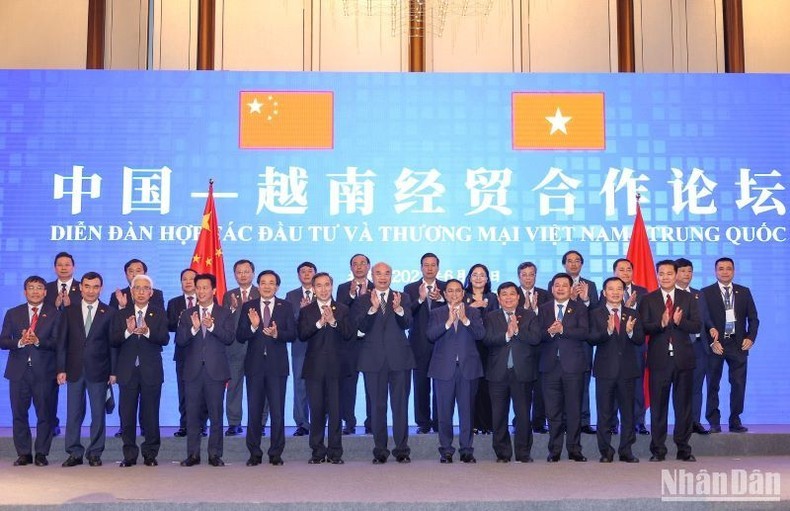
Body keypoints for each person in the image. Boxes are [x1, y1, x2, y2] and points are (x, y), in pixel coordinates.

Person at [352, 262, 415, 464]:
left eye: (387, 273)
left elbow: (408, 324)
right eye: (378, 273)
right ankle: (380, 450)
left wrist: (398, 310)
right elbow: (359, 329)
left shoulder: (402, 297)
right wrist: (372, 309)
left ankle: (402, 450)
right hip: (373, 360)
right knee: (377, 407)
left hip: (400, 360)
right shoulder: (362, 300)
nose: (382, 277)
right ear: (372, 275)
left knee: (400, 407)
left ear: (391, 275)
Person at [638, 260, 700, 462]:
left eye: (669, 273)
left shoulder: (688, 298)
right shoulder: (648, 299)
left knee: (683, 407)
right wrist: (660, 323)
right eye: (661, 273)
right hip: (659, 361)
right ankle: (658, 450)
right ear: (657, 275)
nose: (665, 277)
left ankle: (684, 449)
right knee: (658, 407)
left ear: (676, 275)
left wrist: (681, 322)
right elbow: (643, 328)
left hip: (683, 361)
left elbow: (698, 325)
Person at [236, 270, 297, 466]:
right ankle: (254, 453)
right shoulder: (249, 306)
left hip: (277, 367)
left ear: (277, 286)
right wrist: (254, 327)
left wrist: (278, 334)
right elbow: (240, 335)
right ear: (258, 285)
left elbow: (293, 335)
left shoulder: (286, 306)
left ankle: (275, 453)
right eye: (263, 282)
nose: (267, 286)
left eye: (271, 283)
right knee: (254, 411)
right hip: (254, 367)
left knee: (277, 412)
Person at [0, 276, 61, 466]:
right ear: (25, 292)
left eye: (39, 288)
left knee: (46, 414)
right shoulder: (13, 313)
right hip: (18, 373)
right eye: (31, 288)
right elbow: (3, 341)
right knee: (19, 413)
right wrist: (19, 342)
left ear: (45, 292)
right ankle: (24, 453)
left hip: (45, 372)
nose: (35, 291)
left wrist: (37, 341)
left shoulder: (55, 314)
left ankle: (42, 453)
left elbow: (58, 343)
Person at [110, 274, 169, 467]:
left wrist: (148, 332)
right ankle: (129, 454)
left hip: (151, 371)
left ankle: (150, 454)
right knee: (126, 415)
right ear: (132, 291)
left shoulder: (159, 313)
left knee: (151, 414)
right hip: (127, 372)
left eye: (145, 288)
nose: (141, 292)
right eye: (137, 288)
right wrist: (129, 331)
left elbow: (164, 339)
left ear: (151, 293)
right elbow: (113, 340)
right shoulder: (121, 314)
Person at [58, 271, 116, 467]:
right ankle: (74, 452)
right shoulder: (69, 311)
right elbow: (62, 343)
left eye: (96, 286)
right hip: (73, 369)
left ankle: (95, 453)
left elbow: (112, 345)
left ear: (101, 288)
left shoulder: (109, 312)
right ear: (80, 288)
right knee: (73, 413)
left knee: (98, 413)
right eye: (87, 286)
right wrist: (60, 368)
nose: (91, 290)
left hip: (99, 370)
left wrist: (113, 371)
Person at [177, 273, 235, 467]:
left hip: (215, 372)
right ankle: (193, 455)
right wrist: (193, 329)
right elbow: (180, 341)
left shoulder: (224, 313)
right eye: (198, 287)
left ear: (214, 290)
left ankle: (214, 454)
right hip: (192, 372)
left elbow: (229, 338)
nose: (201, 291)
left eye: (205, 288)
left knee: (216, 415)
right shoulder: (187, 313)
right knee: (192, 416)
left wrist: (212, 327)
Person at [297, 272, 354, 464]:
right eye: (319, 285)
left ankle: (335, 453)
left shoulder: (343, 309)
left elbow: (348, 334)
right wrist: (320, 323)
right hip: (314, 369)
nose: (323, 289)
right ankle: (317, 452)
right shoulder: (307, 310)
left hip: (337, 369)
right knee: (317, 411)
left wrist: (333, 322)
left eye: (327, 285)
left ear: (332, 286)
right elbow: (303, 334)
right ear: (313, 289)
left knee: (336, 412)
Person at [427, 279, 485, 463]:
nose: (454, 294)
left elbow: (480, 335)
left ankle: (467, 450)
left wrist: (464, 320)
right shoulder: (437, 313)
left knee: (467, 412)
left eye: (457, 291)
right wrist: (448, 322)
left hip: (468, 369)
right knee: (444, 412)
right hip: (443, 370)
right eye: (450, 291)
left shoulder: (473, 312)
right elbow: (430, 335)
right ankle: (446, 450)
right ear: (444, 295)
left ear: (463, 294)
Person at [483, 281, 541, 463]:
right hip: (497, 373)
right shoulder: (491, 317)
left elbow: (536, 338)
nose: (508, 297)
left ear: (518, 297)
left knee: (523, 415)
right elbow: (487, 340)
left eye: (512, 294)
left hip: (522, 372)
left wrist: (518, 332)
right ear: (499, 299)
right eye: (504, 294)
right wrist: (507, 335)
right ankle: (502, 453)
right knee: (499, 415)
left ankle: (523, 453)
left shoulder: (530, 315)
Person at [588, 277, 643, 463]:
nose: (615, 292)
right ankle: (606, 451)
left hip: (627, 371)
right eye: (611, 289)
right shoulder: (595, 313)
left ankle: (626, 450)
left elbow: (640, 339)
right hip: (605, 371)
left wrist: (629, 332)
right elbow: (592, 338)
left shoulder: (632, 313)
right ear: (604, 293)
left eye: (619, 289)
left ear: (623, 291)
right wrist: (608, 331)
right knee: (604, 413)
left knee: (628, 413)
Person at [701, 257, 759, 434]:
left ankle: (735, 420)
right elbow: (703, 320)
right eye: (721, 268)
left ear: (733, 271)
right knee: (713, 384)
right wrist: (712, 342)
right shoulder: (706, 292)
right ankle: (713, 422)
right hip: (716, 344)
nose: (725, 272)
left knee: (738, 384)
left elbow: (754, 319)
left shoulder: (744, 291)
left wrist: (750, 337)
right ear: (715, 271)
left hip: (737, 344)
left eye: (728, 268)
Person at [538, 272, 590, 462]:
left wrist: (563, 330)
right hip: (550, 366)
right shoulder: (543, 308)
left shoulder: (579, 308)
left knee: (574, 409)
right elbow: (537, 335)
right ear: (552, 289)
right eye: (557, 285)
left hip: (573, 366)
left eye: (564, 285)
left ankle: (575, 449)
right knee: (553, 411)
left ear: (571, 289)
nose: (560, 288)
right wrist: (549, 333)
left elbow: (585, 332)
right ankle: (555, 450)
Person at [606, 258, 649, 436]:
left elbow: (646, 318)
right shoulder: (608, 291)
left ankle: (639, 422)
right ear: (615, 272)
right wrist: (625, 306)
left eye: (629, 269)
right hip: (612, 347)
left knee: (637, 387)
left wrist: (632, 309)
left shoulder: (642, 291)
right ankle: (613, 423)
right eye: (621, 269)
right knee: (613, 386)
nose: (625, 273)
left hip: (635, 346)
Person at [404, 252, 445, 434]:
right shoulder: (410, 288)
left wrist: (441, 299)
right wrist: (420, 299)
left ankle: (439, 421)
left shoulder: (446, 287)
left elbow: (453, 309)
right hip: (418, 344)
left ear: (438, 267)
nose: (429, 268)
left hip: (442, 344)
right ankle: (423, 422)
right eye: (426, 265)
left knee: (441, 385)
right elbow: (406, 315)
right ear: (421, 268)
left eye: (433, 265)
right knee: (421, 385)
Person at [335, 253, 374, 435]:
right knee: (348, 386)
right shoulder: (343, 289)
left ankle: (372, 422)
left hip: (370, 344)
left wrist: (366, 297)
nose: (359, 267)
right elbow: (341, 312)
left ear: (369, 267)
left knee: (372, 386)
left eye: (362, 263)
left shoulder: (377, 287)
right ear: (351, 268)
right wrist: (353, 295)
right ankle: (349, 422)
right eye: (355, 264)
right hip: (349, 344)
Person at [561, 250, 598, 435]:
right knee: (562, 384)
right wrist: (572, 300)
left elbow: (597, 313)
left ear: (582, 264)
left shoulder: (590, 285)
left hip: (583, 343)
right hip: (563, 344)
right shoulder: (557, 283)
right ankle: (565, 420)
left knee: (582, 383)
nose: (573, 264)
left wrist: (586, 300)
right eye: (569, 261)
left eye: (577, 261)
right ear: (564, 264)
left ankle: (584, 420)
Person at [166, 268, 207, 438]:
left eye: (192, 279)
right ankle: (185, 425)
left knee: (204, 392)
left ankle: (202, 425)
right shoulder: (174, 303)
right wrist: (182, 320)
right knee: (184, 391)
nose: (188, 282)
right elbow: (168, 326)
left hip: (204, 353)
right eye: (185, 279)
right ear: (181, 282)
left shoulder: (206, 301)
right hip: (183, 353)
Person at [45, 251, 81, 437]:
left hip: (75, 345)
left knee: (78, 388)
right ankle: (52, 423)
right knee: (49, 387)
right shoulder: (46, 288)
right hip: (50, 344)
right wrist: (54, 305)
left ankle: (77, 428)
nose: (64, 267)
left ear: (73, 267)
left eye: (67, 264)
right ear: (54, 268)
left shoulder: (83, 287)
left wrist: (69, 306)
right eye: (60, 264)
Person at [221, 259, 259, 437]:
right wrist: (233, 310)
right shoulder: (229, 295)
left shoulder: (262, 292)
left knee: (258, 388)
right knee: (234, 387)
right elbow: (224, 323)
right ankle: (234, 423)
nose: (243, 275)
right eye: (239, 272)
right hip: (234, 349)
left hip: (256, 348)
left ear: (253, 273)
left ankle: (258, 422)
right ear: (234, 275)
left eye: (246, 271)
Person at [675, 258, 710, 435]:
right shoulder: (670, 295)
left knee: (697, 387)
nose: (686, 274)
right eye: (682, 271)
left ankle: (695, 421)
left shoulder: (699, 294)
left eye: (689, 271)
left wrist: (712, 331)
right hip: (678, 348)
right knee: (679, 389)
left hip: (698, 347)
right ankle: (681, 423)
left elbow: (705, 319)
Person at [462, 263, 498, 436]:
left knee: (487, 387)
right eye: (474, 274)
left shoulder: (493, 297)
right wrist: (472, 308)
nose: (478, 278)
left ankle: (488, 424)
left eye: (482, 275)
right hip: (469, 346)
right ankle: (474, 424)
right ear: (469, 278)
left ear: (487, 278)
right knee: (472, 387)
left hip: (488, 347)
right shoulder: (463, 297)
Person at [516, 261, 551, 434]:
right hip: (520, 350)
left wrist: (536, 311)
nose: (528, 278)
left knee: (540, 388)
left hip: (542, 349)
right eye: (524, 274)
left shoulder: (545, 295)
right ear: (519, 277)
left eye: (531, 274)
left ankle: (539, 421)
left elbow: (550, 321)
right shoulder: (511, 295)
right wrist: (524, 311)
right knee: (520, 388)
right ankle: (519, 422)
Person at [284, 261, 317, 437]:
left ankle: (320, 422)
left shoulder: (323, 290)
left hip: (321, 346)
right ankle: (302, 423)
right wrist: (302, 311)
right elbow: (289, 322)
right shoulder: (291, 296)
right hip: (300, 347)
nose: (306, 274)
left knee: (320, 385)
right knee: (300, 385)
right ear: (298, 276)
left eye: (309, 271)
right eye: (302, 272)